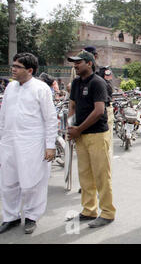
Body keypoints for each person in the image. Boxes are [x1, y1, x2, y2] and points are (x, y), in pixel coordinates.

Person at [0, 53, 58, 234]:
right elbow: (3, 117)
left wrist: (50, 145)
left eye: (17, 66)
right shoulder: (10, 88)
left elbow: (50, 119)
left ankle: (32, 216)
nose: (13, 69)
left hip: (32, 143)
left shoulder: (41, 88)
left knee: (33, 182)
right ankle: (11, 217)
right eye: (13, 66)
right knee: (8, 182)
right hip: (9, 141)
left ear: (30, 70)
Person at [66, 51, 115, 228]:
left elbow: (99, 111)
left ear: (89, 63)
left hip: (96, 134)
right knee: (85, 175)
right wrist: (71, 127)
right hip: (81, 136)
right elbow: (72, 105)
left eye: (78, 63)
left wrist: (78, 129)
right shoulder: (77, 83)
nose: (75, 66)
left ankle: (108, 212)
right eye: (74, 63)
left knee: (102, 175)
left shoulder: (98, 83)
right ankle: (89, 210)